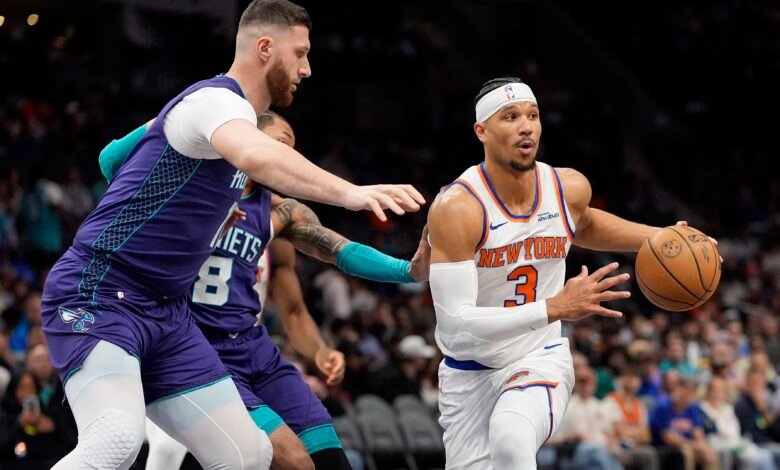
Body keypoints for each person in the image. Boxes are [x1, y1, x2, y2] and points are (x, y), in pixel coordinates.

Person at [40, 1, 425, 468]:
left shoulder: (204, 113)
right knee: (118, 440)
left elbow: (111, 159)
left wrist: (186, 205)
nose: (307, 68)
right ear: (265, 48)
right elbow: (257, 155)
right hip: (101, 292)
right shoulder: (216, 102)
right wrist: (351, 193)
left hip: (169, 313)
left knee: (248, 454)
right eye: (300, 53)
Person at [101, 111, 430, 470]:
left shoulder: (281, 211)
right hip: (196, 347)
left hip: (253, 346)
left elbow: (339, 250)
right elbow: (112, 163)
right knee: (289, 460)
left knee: (329, 457)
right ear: (245, 138)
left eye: (292, 149)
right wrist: (185, 109)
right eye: (281, 143)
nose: (287, 156)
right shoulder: (191, 186)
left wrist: (407, 271)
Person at [426, 76, 717, 469]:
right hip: (467, 373)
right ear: (482, 131)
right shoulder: (458, 208)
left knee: (511, 437)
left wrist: (663, 237)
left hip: (537, 356)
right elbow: (455, 324)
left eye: (532, 115)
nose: (526, 126)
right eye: (510, 117)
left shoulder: (567, 187)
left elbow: (585, 223)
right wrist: (553, 307)